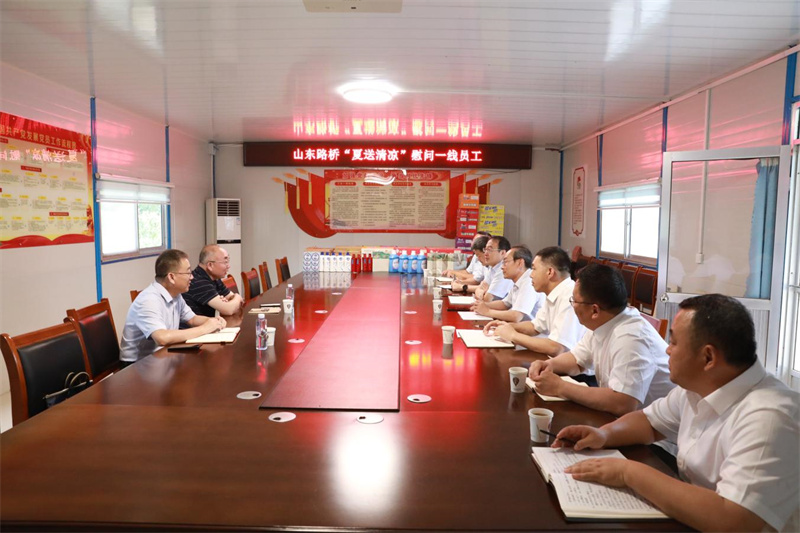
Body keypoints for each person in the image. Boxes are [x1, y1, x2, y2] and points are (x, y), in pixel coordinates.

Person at [554, 294, 799, 533]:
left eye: (674, 342)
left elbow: (732, 520)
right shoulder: (698, 387)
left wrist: (626, 472)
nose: (667, 351)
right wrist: (604, 435)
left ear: (708, 357)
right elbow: (648, 422)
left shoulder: (770, 418)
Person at [528, 263, 674, 416]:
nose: (572, 306)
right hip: (626, 420)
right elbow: (577, 359)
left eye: (574, 301)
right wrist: (548, 365)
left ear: (595, 310)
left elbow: (623, 403)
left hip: (655, 429)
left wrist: (560, 387)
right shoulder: (604, 322)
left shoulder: (631, 338)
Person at [119, 249, 227, 363]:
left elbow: (192, 319)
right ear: (171, 277)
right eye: (188, 273)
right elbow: (162, 338)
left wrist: (213, 321)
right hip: (137, 365)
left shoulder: (175, 294)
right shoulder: (149, 300)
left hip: (162, 357)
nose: (192, 277)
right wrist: (205, 328)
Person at [484, 246, 586, 356]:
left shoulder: (570, 296)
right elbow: (535, 326)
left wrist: (513, 335)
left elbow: (557, 348)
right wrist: (508, 326)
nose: (531, 275)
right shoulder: (553, 293)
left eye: (534, 269)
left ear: (550, 272)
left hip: (568, 364)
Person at [471, 245, 544, 322]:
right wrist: (483, 305)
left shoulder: (529, 282)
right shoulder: (519, 280)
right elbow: (505, 304)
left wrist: (487, 311)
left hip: (529, 329)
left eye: (505, 262)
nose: (502, 267)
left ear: (520, 263)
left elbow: (516, 316)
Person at [183, 244, 244, 318]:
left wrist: (229, 302)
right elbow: (229, 310)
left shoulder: (215, 279)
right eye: (225, 262)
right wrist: (237, 297)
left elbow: (232, 298)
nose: (228, 266)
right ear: (210, 265)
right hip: (198, 324)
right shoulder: (198, 282)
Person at [471, 235, 514, 302]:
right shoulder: (492, 267)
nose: (485, 253)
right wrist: (483, 292)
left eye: (490, 250)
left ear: (502, 253)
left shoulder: (504, 269)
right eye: (485, 249)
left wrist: (485, 292)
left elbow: (488, 299)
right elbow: (479, 289)